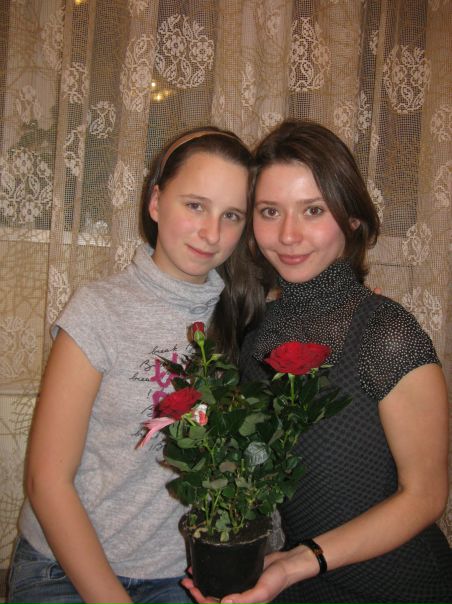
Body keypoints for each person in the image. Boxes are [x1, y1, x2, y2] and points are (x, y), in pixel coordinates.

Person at [182, 119, 452, 604]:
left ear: (352, 219)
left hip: (398, 587)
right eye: (270, 211)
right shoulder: (256, 337)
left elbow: (426, 496)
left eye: (313, 210)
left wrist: (300, 562)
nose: (288, 234)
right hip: (297, 586)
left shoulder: (387, 334)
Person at [7, 127, 255, 604]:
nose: (211, 233)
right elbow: (46, 481)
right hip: (64, 568)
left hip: (179, 576)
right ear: (156, 202)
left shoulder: (244, 316)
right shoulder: (98, 310)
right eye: (195, 205)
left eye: (231, 215)